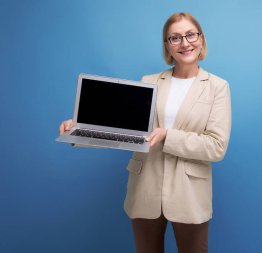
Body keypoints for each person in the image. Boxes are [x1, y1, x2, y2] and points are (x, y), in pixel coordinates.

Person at [59, 12, 231, 253]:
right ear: (167, 46)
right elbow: (125, 132)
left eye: (190, 35)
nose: (184, 43)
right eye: (175, 38)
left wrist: (167, 136)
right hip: (145, 189)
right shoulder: (149, 81)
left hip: (189, 194)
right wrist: (78, 130)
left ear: (201, 39)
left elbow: (216, 146)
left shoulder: (217, 87)